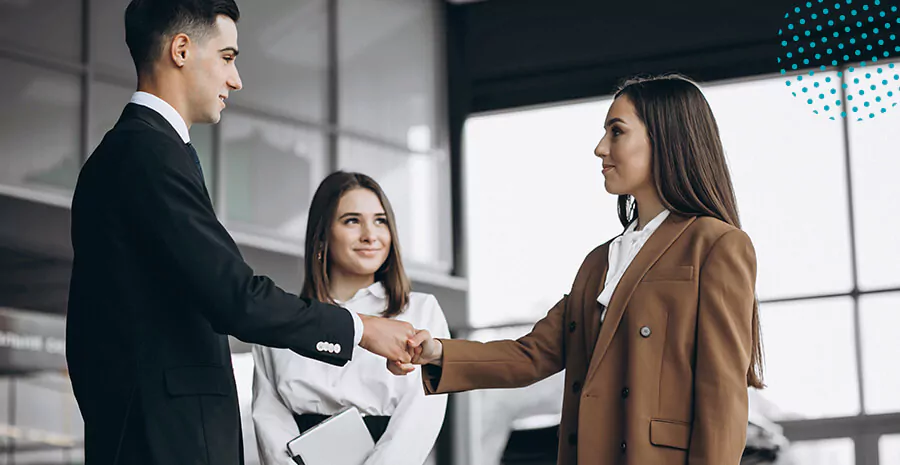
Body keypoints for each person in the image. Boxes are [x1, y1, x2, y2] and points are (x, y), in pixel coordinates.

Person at [66, 2, 415, 464]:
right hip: (166, 444)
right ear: (181, 49)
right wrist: (361, 329)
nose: (236, 79)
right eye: (228, 57)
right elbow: (237, 298)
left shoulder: (137, 153)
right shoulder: (147, 155)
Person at [405, 74, 765, 465]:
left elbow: (722, 399)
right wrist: (437, 351)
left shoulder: (716, 244)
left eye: (616, 132)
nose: (600, 148)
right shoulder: (599, 262)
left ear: (665, 138)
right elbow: (531, 354)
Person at [252, 172, 449, 465]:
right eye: (352, 221)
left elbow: (422, 415)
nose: (370, 235)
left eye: (380, 220)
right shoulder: (284, 316)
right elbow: (268, 415)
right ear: (322, 235)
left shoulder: (420, 311)